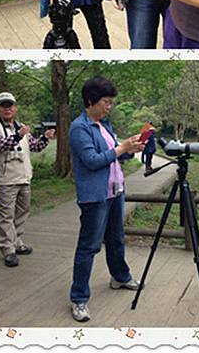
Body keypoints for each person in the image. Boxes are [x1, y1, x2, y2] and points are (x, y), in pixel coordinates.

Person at [68, 76, 143, 322]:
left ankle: (120, 277)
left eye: (111, 102)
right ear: (91, 101)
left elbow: (113, 156)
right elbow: (91, 161)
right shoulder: (79, 127)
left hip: (116, 190)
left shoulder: (104, 125)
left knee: (115, 239)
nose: (109, 106)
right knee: (89, 247)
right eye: (106, 102)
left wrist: (129, 149)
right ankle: (79, 298)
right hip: (95, 196)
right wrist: (120, 149)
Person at [0, 92, 55, 267]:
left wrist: (45, 138)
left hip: (23, 177)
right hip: (4, 178)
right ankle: (7, 249)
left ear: (15, 108)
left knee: (22, 212)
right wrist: (17, 135)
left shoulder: (21, 126)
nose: (7, 109)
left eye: (10, 105)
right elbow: (0, 145)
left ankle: (17, 242)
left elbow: (34, 146)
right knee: (6, 215)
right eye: (3, 105)